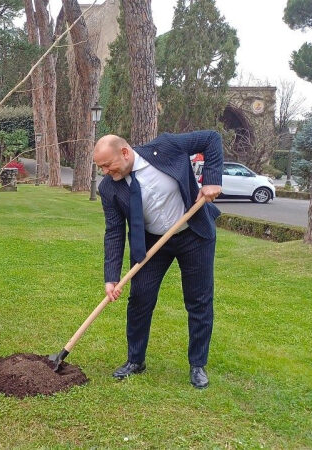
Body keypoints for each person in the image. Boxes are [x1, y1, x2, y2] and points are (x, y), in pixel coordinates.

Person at [92, 131, 223, 389]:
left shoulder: (166, 147)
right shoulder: (108, 188)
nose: (105, 171)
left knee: (199, 300)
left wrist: (212, 180)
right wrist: (111, 277)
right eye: (100, 167)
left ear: (125, 153)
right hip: (151, 244)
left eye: (107, 165)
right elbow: (115, 232)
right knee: (140, 298)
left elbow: (212, 139)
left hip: (193, 234)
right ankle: (135, 360)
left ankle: (198, 365)